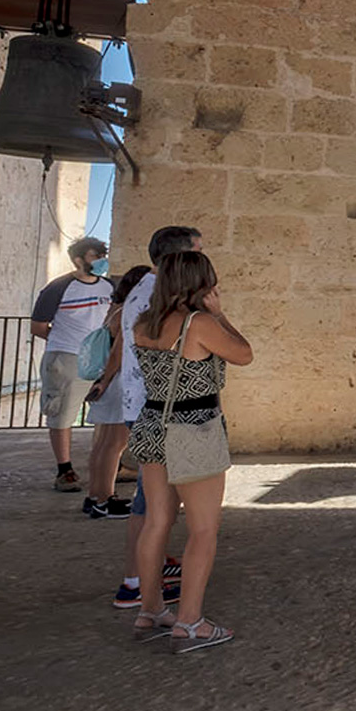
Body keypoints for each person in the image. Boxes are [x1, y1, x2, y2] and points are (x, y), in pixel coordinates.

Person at [128, 251, 253, 652]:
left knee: (156, 522)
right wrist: (220, 315)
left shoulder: (142, 323)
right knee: (203, 529)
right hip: (194, 428)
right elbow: (244, 353)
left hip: (153, 424)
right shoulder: (199, 324)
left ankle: (151, 609)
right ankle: (190, 620)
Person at [106, 226, 201, 609]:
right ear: (179, 259)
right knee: (153, 504)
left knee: (155, 501)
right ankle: (135, 584)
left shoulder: (145, 289)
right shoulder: (158, 297)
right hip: (157, 411)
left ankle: (151, 568)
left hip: (146, 408)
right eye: (197, 253)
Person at [31, 236, 113, 491]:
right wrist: (67, 342)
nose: (100, 260)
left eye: (102, 254)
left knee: (107, 414)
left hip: (100, 359)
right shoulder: (59, 288)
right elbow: (38, 326)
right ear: (78, 260)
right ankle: (64, 470)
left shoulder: (109, 287)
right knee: (62, 413)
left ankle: (108, 463)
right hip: (67, 357)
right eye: (94, 256)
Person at [81, 264, 152, 518]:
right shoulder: (129, 312)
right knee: (116, 444)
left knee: (103, 443)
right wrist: (108, 379)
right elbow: (118, 351)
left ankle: (96, 495)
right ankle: (104, 500)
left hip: (108, 380)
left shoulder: (114, 309)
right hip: (118, 380)